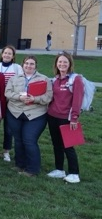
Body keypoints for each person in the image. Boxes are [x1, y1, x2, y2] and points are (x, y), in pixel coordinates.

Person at [5, 56, 52, 177]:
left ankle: (33, 169)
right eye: (26, 63)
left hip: (35, 114)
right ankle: (20, 164)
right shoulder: (14, 78)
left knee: (29, 140)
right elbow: (8, 92)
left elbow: (48, 97)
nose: (29, 66)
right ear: (22, 65)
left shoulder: (44, 79)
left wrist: (34, 99)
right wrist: (19, 97)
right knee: (18, 139)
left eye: (31, 64)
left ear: (36, 66)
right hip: (15, 112)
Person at [46, 52, 84, 183]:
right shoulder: (55, 79)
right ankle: (59, 169)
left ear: (70, 64)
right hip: (52, 116)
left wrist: (74, 117)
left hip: (66, 118)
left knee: (68, 146)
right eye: (60, 62)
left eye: (65, 62)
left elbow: (77, 100)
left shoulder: (76, 79)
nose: (62, 64)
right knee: (57, 145)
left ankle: (74, 173)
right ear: (56, 64)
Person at [0, 45, 23, 162]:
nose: (7, 55)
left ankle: (6, 151)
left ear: (13, 56)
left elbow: (21, 83)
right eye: (5, 53)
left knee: (8, 129)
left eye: (9, 54)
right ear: (2, 54)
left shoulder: (17, 68)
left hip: (11, 101)